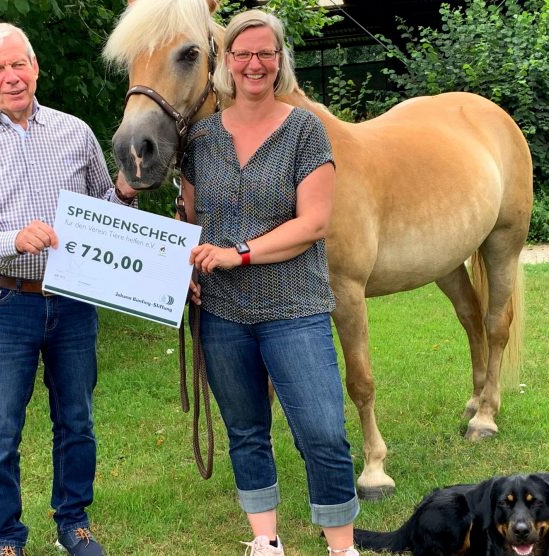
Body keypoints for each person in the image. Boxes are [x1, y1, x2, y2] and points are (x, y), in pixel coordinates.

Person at [0, 22, 136, 556]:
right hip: (3, 302)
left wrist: (126, 190)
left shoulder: (75, 132)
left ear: (35, 68)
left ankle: (73, 521)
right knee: (1, 430)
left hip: (73, 302)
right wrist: (14, 239)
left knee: (76, 420)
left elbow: (110, 210)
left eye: (18, 64)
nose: (11, 76)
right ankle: (7, 536)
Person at [180, 10, 360, 556]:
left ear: (280, 60)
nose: (254, 63)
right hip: (222, 315)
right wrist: (183, 270)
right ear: (226, 63)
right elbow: (189, 221)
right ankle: (266, 541)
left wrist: (240, 253)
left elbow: (314, 223)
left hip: (294, 309)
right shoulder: (201, 137)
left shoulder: (304, 129)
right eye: (242, 53)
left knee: (323, 434)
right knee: (246, 431)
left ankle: (340, 546)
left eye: (265, 53)